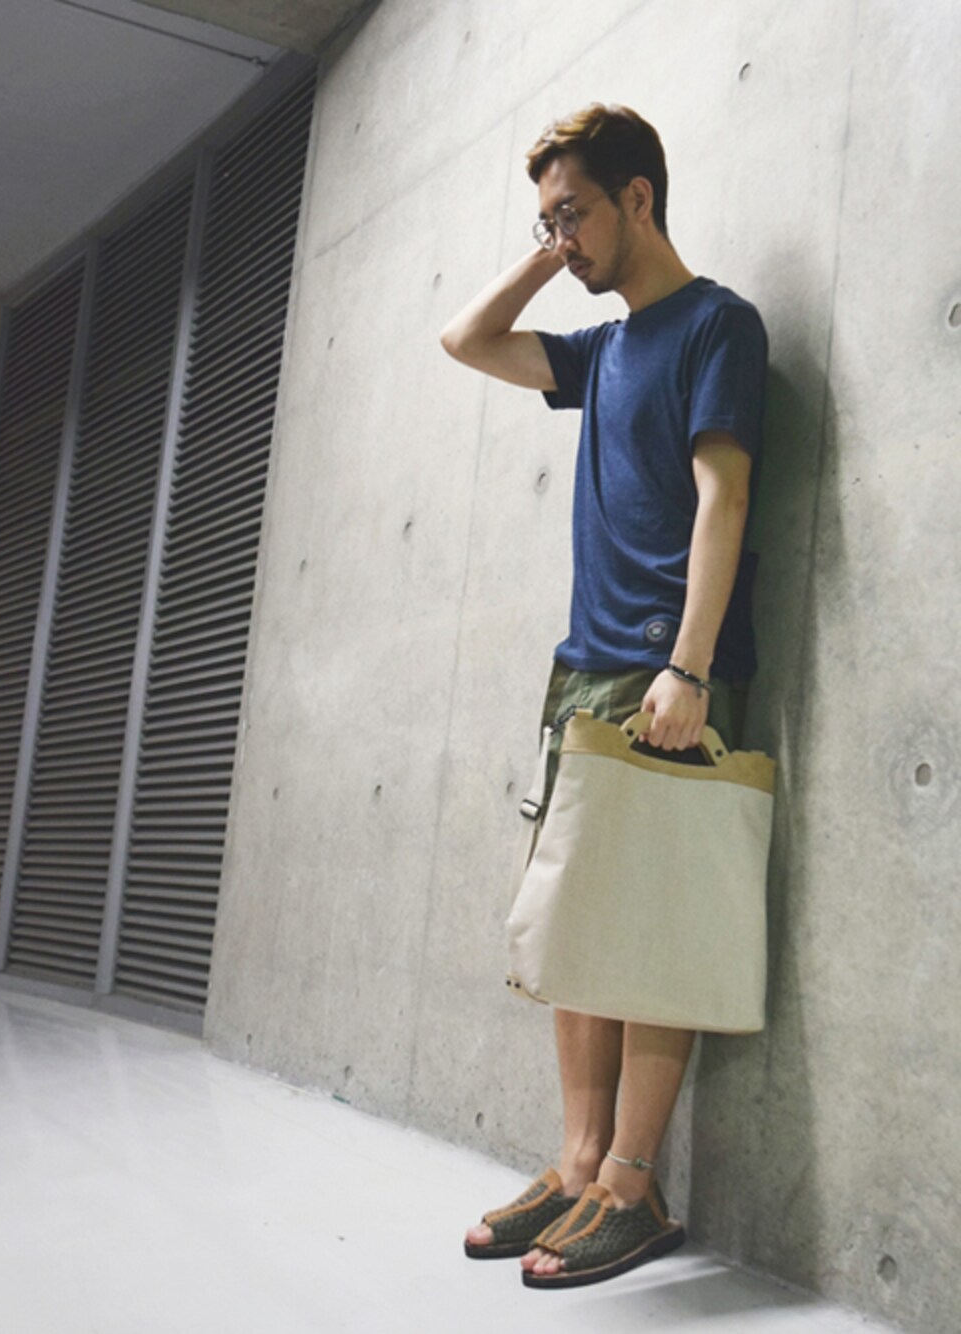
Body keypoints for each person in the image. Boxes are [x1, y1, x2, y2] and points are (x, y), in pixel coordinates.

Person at [439, 103, 769, 1290]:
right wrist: (547, 253)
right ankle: (579, 1162)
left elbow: (723, 496)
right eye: (547, 218)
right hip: (582, 663)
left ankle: (633, 1182)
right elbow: (466, 339)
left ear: (640, 198)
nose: (561, 236)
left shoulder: (716, 324)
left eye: (574, 212)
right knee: (576, 924)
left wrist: (688, 665)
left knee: (651, 932)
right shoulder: (599, 349)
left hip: (662, 667)